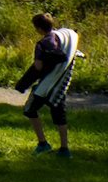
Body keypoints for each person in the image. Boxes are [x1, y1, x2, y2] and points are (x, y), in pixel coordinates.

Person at [15, 12, 82, 157]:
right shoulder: (65, 36)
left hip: (46, 85)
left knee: (30, 110)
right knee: (59, 116)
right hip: (60, 85)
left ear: (38, 28)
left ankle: (43, 143)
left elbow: (38, 66)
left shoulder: (43, 44)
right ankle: (64, 149)